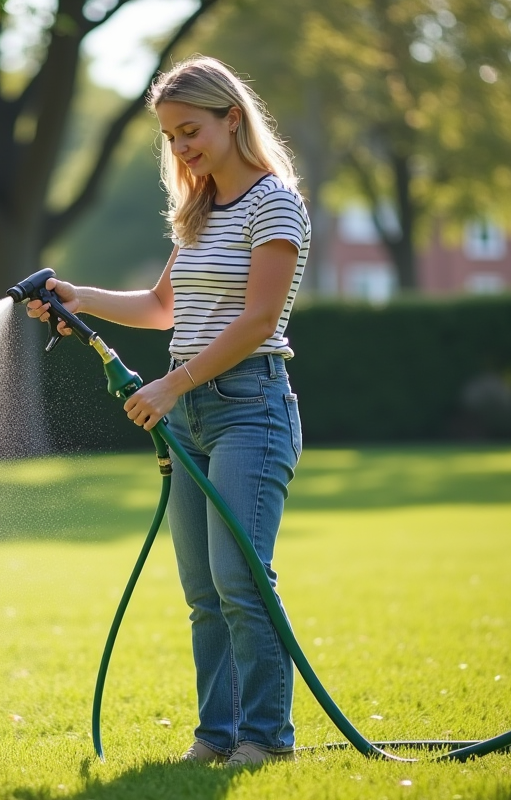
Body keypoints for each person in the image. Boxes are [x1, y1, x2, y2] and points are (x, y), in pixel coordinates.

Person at [26, 55, 309, 767]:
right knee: (204, 592)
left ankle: (266, 740)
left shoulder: (275, 203)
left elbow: (256, 321)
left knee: (242, 580)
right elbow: (162, 307)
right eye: (172, 138)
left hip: (251, 407)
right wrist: (82, 297)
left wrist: (172, 385)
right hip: (192, 416)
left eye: (192, 131)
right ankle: (217, 737)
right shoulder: (201, 209)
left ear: (231, 118)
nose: (182, 149)